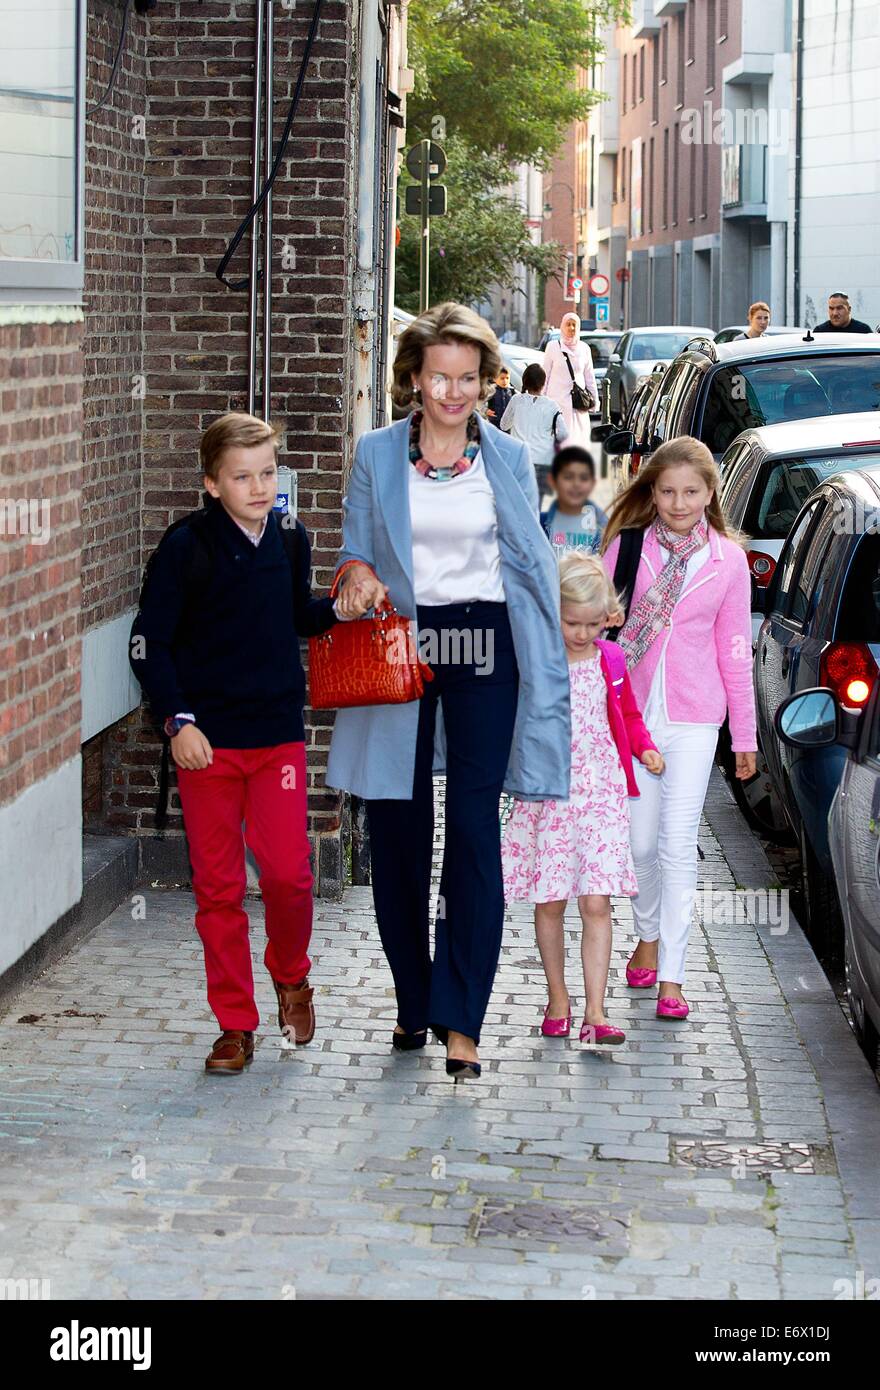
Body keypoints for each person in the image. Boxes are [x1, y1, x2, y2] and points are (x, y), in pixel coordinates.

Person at [326, 302, 571, 1081]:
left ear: (486, 382)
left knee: (472, 828)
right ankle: (411, 996)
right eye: (441, 377)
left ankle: (460, 1019)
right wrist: (356, 576)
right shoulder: (374, 455)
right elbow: (353, 550)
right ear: (415, 378)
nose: (454, 392)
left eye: (469, 378)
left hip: (484, 644)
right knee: (399, 830)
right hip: (400, 643)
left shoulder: (503, 456)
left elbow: (528, 559)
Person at [129, 413, 338, 1073]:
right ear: (212, 483)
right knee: (218, 889)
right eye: (242, 476)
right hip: (206, 745)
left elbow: (298, 615)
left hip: (275, 735)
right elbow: (149, 644)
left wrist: (342, 606)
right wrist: (177, 722)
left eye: (267, 473)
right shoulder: (185, 547)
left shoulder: (290, 536)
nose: (258, 487)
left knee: (287, 875)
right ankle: (235, 1025)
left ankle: (291, 974)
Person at [600, 437, 757, 1020]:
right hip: (632, 712)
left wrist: (744, 735)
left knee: (675, 845)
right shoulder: (627, 546)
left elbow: (735, 649)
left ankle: (672, 974)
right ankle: (646, 932)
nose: (679, 502)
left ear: (710, 493)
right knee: (639, 844)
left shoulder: (728, 561)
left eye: (691, 492)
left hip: (695, 717)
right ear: (651, 490)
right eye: (667, 491)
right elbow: (593, 622)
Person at [502, 553, 664, 1046]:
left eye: (594, 624)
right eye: (573, 622)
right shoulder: (536, 658)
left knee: (598, 902)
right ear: (553, 612)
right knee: (549, 902)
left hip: (601, 793)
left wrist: (646, 747)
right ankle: (558, 998)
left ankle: (596, 1011)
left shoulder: (611, 660)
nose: (583, 633)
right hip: (549, 795)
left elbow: (629, 716)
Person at [499, 362, 568, 499]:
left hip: (520, 459)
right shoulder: (552, 405)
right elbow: (564, 434)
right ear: (543, 383)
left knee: (519, 500)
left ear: (525, 381)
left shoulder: (516, 400)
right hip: (543, 460)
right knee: (536, 503)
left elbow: (503, 425)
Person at [542, 312, 598, 447]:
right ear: (562, 326)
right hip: (556, 404)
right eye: (568, 324)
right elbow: (545, 375)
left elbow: (589, 376)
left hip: (578, 406)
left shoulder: (584, 349)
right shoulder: (553, 347)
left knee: (578, 443)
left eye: (574, 325)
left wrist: (594, 401)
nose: (571, 328)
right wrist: (541, 400)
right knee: (559, 444)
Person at [541, 446, 608, 555]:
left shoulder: (605, 528)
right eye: (568, 477)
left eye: (584, 478)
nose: (576, 484)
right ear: (552, 481)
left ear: (593, 483)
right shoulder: (540, 524)